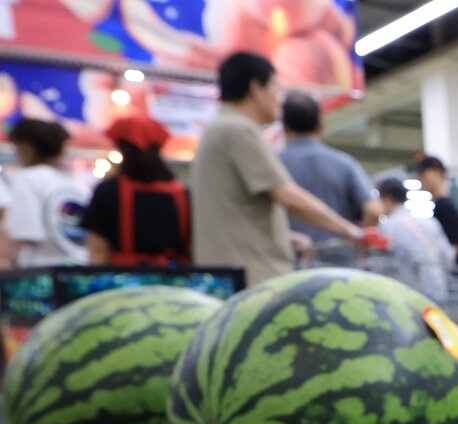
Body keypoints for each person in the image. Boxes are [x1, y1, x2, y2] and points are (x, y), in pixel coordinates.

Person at [191, 52, 365, 285]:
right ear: (255, 88)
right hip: (253, 277)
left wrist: (286, 238)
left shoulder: (217, 130)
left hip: (229, 274)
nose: (278, 97)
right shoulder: (240, 129)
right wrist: (352, 231)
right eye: (275, 86)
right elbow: (288, 195)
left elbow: (233, 212)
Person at [279, 92, 379, 264]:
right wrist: (357, 240)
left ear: (284, 126)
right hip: (341, 264)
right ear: (320, 125)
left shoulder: (273, 164)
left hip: (292, 265)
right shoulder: (345, 163)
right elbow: (374, 210)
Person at [82, 115, 191, 266]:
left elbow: (97, 252)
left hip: (122, 285)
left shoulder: (107, 192)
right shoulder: (183, 194)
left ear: (121, 147)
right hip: (175, 285)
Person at [4, 119, 81, 266]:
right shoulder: (77, 185)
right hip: (81, 272)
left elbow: (23, 234)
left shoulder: (25, 179)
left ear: (27, 148)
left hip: (42, 275)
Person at [377, 178, 455, 301]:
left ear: (387, 198)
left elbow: (383, 267)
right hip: (438, 290)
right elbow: (448, 257)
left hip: (407, 295)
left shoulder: (387, 227)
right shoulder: (430, 223)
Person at [416, 155, 458, 266]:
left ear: (437, 172)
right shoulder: (443, 205)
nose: (420, 179)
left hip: (453, 277)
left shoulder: (445, 207)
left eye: (423, 174)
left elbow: (454, 247)